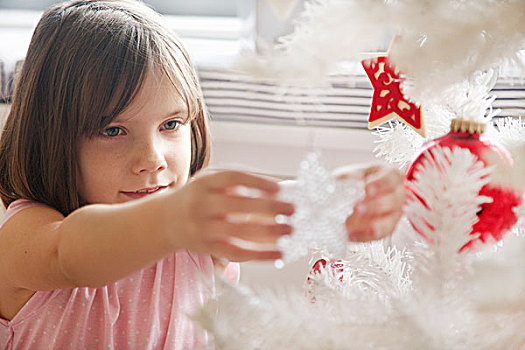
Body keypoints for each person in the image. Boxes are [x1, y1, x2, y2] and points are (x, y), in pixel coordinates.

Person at [0, 0, 405, 348]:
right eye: (113, 130)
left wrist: (339, 198)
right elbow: (68, 256)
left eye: (171, 125)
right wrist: (177, 220)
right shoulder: (28, 234)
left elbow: (262, 210)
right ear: (50, 137)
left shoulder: (193, 230)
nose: (152, 158)